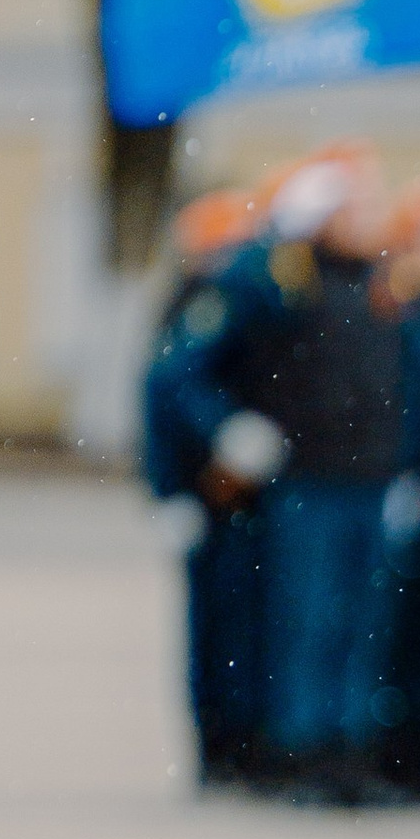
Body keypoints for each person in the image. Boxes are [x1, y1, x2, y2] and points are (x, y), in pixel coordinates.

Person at [164, 150, 419, 804]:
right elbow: (181, 370)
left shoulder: (381, 284)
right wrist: (228, 428)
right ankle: (299, 754)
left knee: (362, 628)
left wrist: (406, 468)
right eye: (356, 206)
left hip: (370, 476)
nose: (372, 218)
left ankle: (349, 753)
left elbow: (405, 386)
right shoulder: (273, 278)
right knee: (305, 625)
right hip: (307, 480)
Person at [140, 188, 266, 788]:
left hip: (249, 491)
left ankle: (241, 741)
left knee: (247, 624)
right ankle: (217, 748)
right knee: (216, 628)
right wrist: (170, 494)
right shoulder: (196, 304)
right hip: (207, 492)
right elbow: (163, 404)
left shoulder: (236, 301)